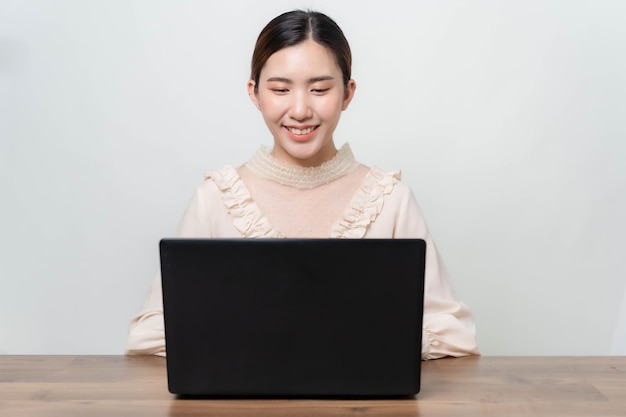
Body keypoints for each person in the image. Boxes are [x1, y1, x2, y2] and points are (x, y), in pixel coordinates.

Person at [125, 9, 480, 360]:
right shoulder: (215, 200)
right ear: (255, 92)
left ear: (347, 93)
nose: (299, 110)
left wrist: (368, 337)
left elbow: (454, 332)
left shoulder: (390, 200)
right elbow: (150, 331)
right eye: (280, 89)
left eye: (320, 89)